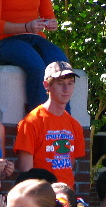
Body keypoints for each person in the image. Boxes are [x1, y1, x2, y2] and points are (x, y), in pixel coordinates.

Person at [0, 0, 68, 112]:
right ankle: (39, 120)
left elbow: (48, 16)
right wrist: (26, 27)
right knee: (36, 67)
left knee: (62, 67)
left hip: (36, 39)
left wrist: (51, 23)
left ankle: (63, 122)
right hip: (6, 41)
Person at [14, 61, 85, 189]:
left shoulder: (75, 125)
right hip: (41, 194)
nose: (66, 89)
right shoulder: (31, 122)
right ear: (46, 85)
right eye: (60, 84)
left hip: (66, 195)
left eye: (70, 83)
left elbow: (70, 164)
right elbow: (26, 173)